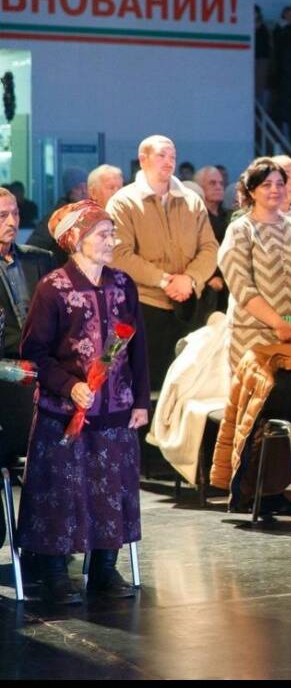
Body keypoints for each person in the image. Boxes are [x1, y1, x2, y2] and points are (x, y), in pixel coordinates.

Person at [19, 201, 150, 604]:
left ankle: (105, 568)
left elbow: (138, 347)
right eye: (103, 234)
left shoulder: (123, 284)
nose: (112, 241)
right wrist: (69, 385)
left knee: (112, 489)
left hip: (115, 410)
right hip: (64, 415)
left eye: (112, 233)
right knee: (61, 492)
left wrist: (141, 401)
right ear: (76, 239)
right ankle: (56, 573)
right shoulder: (53, 288)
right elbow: (34, 354)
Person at [107, 135, 219, 390]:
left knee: (187, 387)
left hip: (189, 304)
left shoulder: (192, 201)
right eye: (161, 155)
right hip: (144, 307)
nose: (169, 162)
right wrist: (164, 280)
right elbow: (119, 254)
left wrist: (190, 279)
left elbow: (210, 248)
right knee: (147, 386)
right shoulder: (123, 202)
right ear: (143, 159)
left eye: (172, 156)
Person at [218, 159, 291, 370]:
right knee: (256, 391)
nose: (275, 190)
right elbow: (241, 286)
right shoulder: (240, 229)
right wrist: (277, 323)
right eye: (267, 185)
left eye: (280, 184)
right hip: (253, 335)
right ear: (252, 191)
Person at [0, 187, 54, 462]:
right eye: (2, 216)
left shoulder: (40, 258)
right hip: (6, 361)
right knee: (28, 378)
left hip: (42, 356)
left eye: (16, 214)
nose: (12, 222)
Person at [28, 165, 124, 266]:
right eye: (78, 188)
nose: (83, 192)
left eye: (85, 187)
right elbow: (36, 245)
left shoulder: (98, 213)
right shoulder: (64, 215)